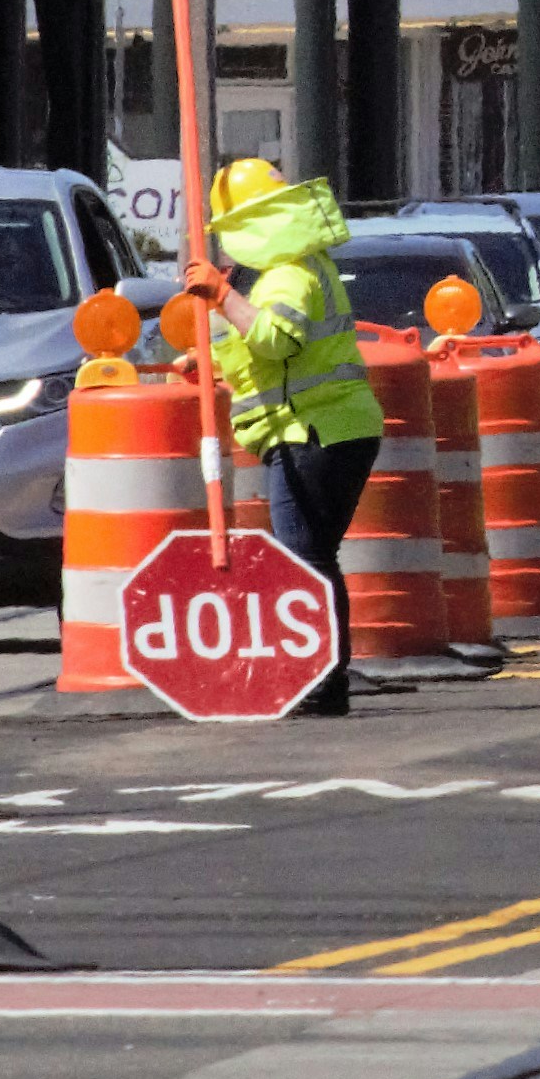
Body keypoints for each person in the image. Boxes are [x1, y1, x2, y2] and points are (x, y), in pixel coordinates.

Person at [202, 157, 382, 718]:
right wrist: (209, 352)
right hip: (325, 429)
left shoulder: (288, 275)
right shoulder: (303, 269)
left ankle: (323, 681)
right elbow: (263, 356)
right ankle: (323, 677)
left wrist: (219, 295)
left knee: (304, 559)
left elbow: (276, 341)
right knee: (311, 555)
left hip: (313, 432)